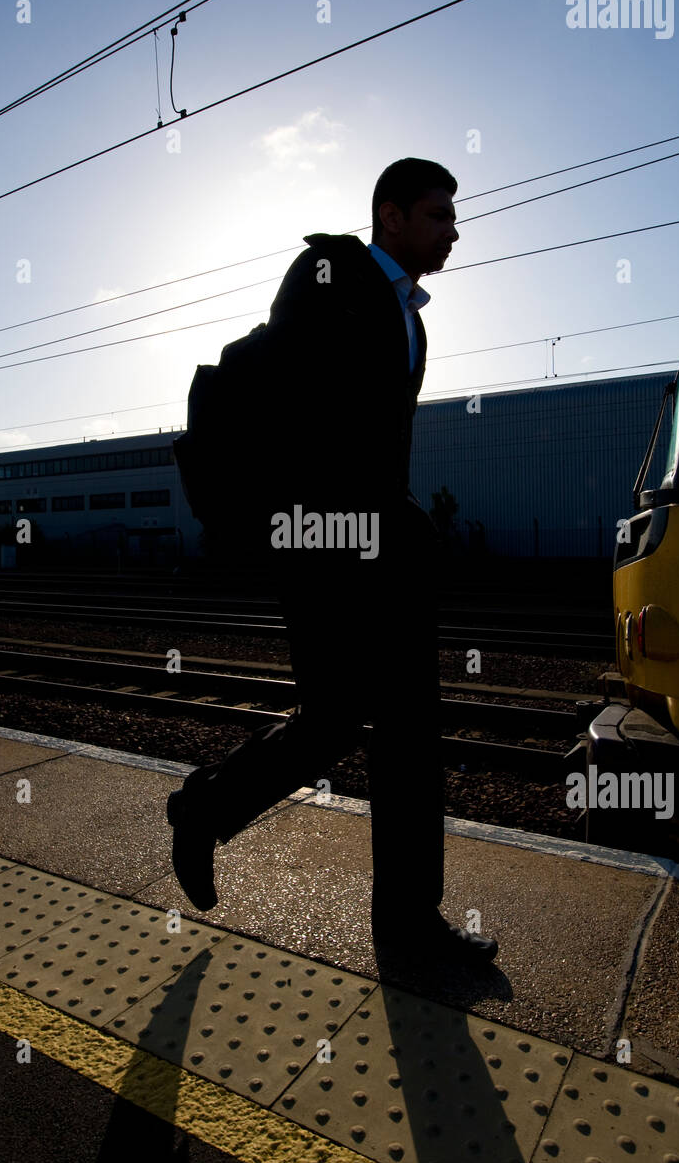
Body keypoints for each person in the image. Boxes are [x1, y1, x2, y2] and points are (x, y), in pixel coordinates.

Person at [167, 158, 498, 969]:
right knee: (398, 726)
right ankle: (410, 932)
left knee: (342, 720)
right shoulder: (329, 277)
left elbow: (368, 441)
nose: (452, 231)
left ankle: (206, 811)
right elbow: (302, 416)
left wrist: (397, 511)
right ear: (390, 215)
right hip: (328, 545)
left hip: (368, 544)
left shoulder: (408, 315)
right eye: (437, 215)